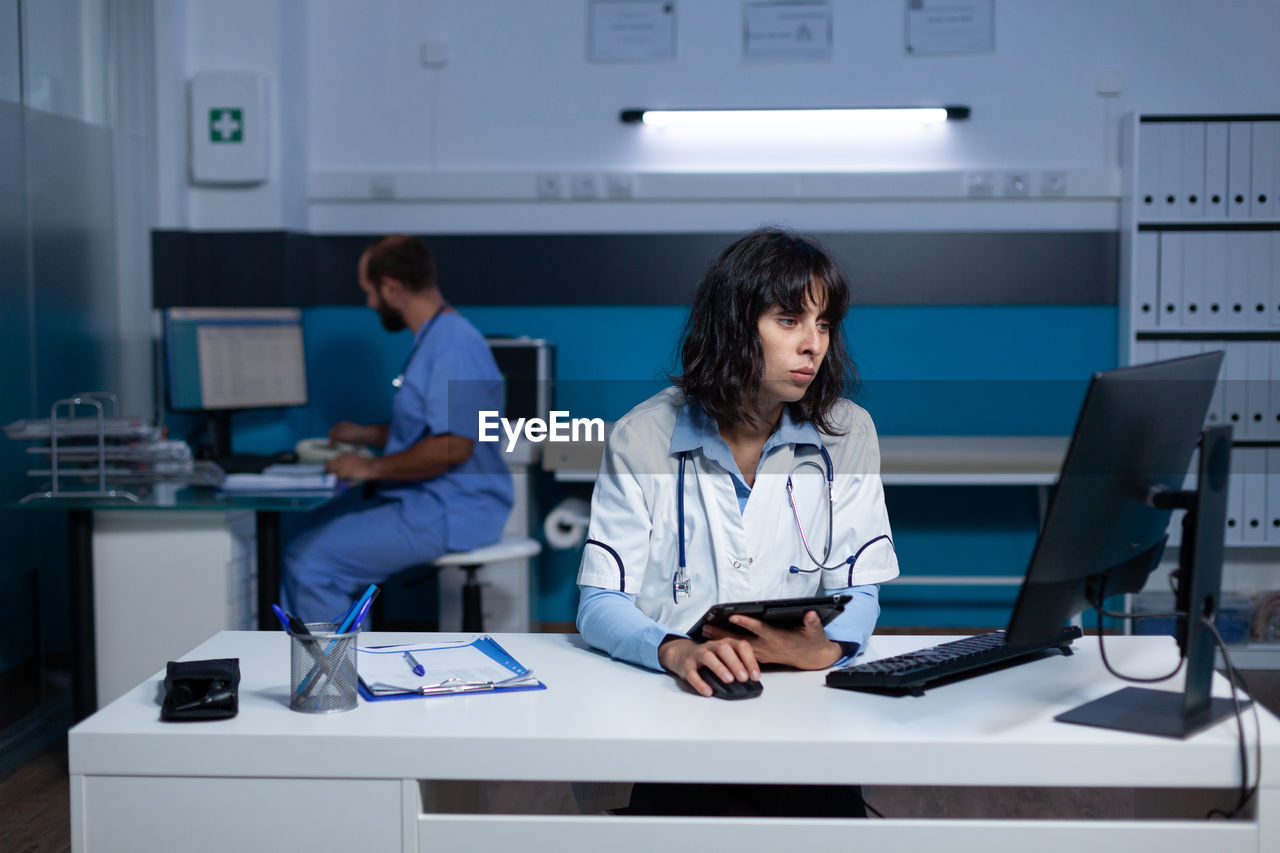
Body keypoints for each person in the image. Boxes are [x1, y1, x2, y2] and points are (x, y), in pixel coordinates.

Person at [575, 227, 898, 816]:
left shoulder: (849, 433)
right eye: (789, 320)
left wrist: (828, 649)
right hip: (684, 702)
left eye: (823, 325)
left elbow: (860, 587)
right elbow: (599, 603)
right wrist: (673, 650)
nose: (813, 345)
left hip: (805, 702)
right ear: (733, 324)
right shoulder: (641, 437)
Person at [281, 234, 513, 622]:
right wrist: (365, 435)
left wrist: (369, 467)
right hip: (439, 500)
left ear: (390, 287)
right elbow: (429, 429)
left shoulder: (453, 345)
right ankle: (347, 666)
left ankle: (336, 680)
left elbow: (453, 446)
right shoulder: (437, 338)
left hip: (453, 508)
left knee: (311, 563)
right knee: (317, 545)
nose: (369, 303)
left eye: (369, 292)